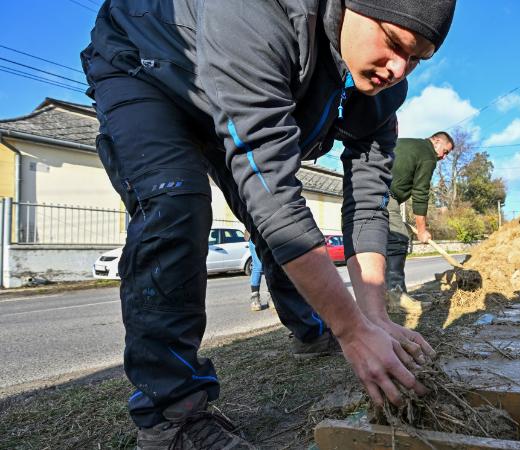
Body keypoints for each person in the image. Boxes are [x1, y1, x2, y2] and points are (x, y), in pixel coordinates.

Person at [81, 0, 456, 447]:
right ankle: (171, 417)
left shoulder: (384, 91)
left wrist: (372, 318)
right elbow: (273, 190)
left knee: (274, 232)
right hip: (153, 67)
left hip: (228, 96)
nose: (398, 68)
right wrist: (351, 329)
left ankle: (312, 330)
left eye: (415, 58)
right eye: (393, 43)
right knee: (177, 203)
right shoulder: (260, 11)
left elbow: (368, 202)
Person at [386, 132, 454, 292]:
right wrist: (422, 231)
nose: (443, 157)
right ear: (436, 141)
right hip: (382, 193)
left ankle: (381, 297)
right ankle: (396, 296)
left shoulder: (407, 142)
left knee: (380, 242)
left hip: (364, 186)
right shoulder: (427, 154)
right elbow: (420, 193)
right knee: (398, 238)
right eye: (445, 152)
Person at [244, 231, 268, 311]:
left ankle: (270, 296)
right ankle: (255, 298)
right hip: (256, 234)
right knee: (259, 266)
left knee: (267, 265)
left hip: (264, 233)